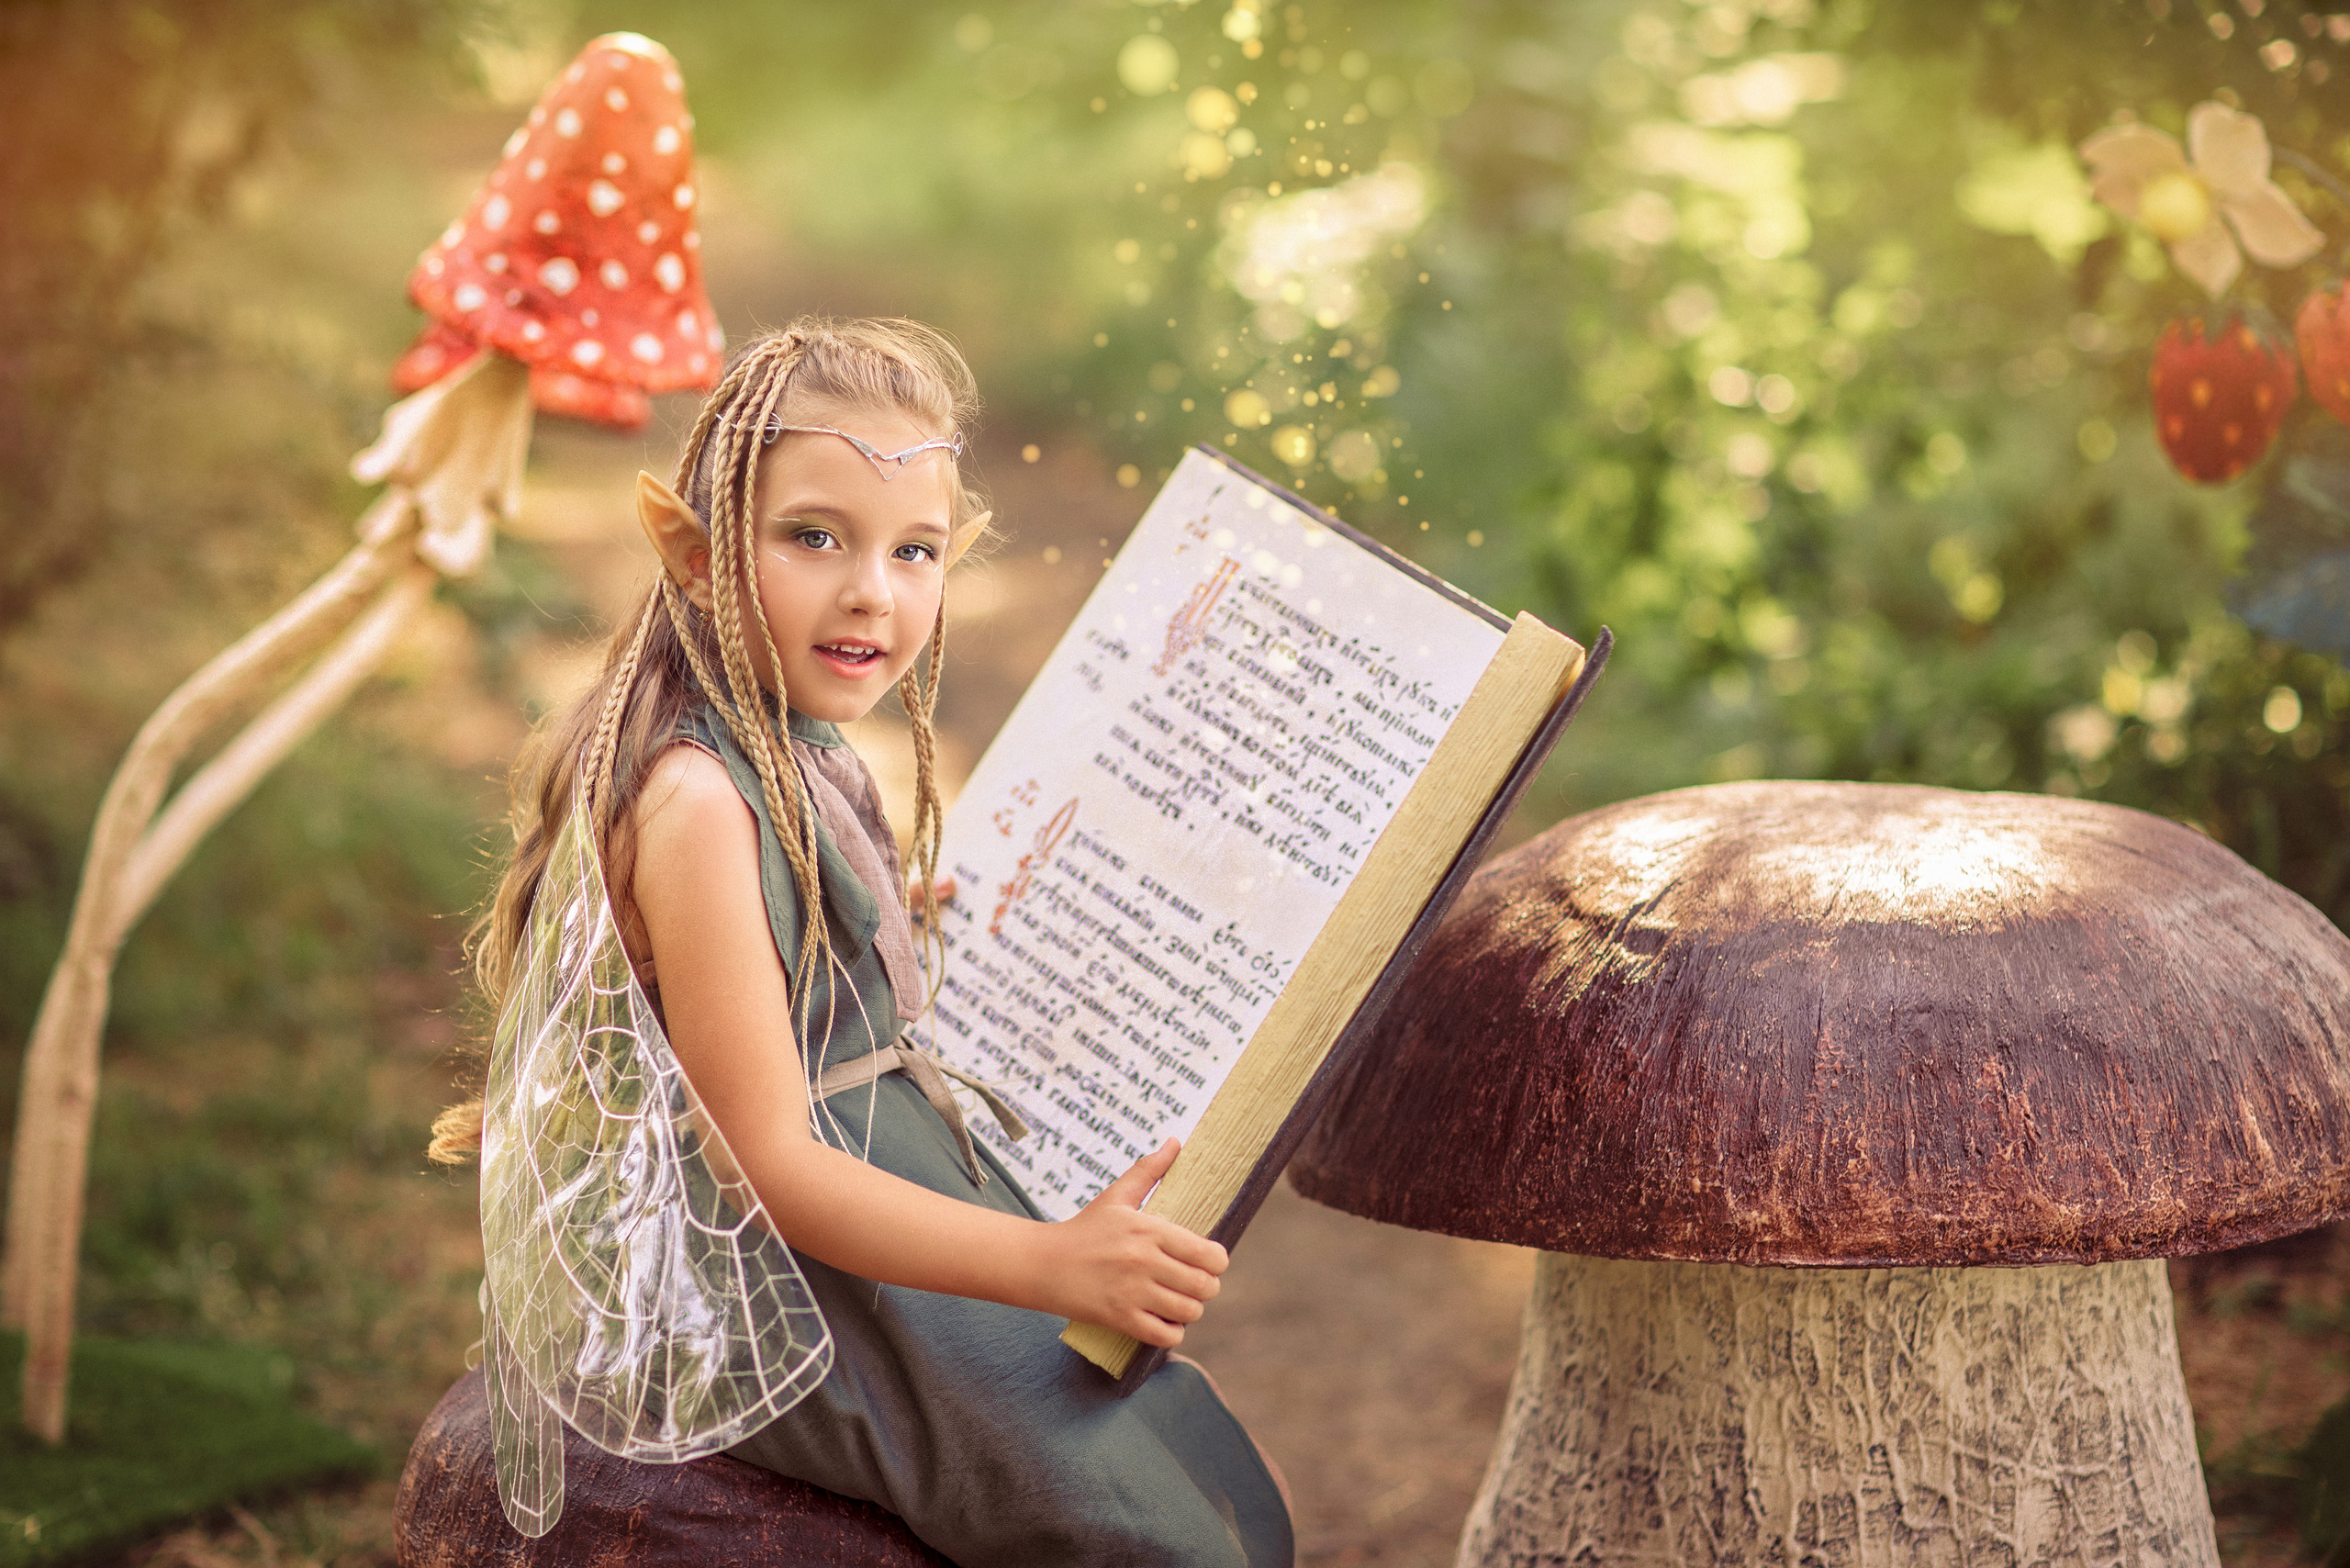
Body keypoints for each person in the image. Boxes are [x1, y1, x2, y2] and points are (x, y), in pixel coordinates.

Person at [431, 318, 1294, 1566]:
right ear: (693, 552)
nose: (870, 592)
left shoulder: (792, 734)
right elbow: (768, 1166)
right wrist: (1051, 1265)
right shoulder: (696, 801)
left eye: (915, 550)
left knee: (1182, 1448)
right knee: (1138, 1525)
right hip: (749, 1278)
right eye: (813, 536)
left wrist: (881, 921)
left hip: (852, 1187)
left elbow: (787, 958)